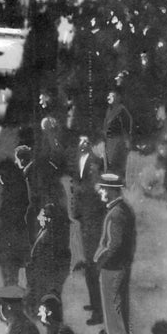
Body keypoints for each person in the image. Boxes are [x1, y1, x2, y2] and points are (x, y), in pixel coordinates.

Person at [93, 173, 136, 334]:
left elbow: (113, 245)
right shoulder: (122, 208)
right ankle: (115, 331)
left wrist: (98, 260)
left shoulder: (115, 213)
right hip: (122, 263)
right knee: (117, 299)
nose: (101, 192)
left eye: (103, 188)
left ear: (111, 191)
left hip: (113, 265)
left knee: (113, 302)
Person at [70, 135, 106, 324]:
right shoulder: (86, 163)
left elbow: (88, 193)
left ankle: (99, 312)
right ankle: (95, 304)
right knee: (91, 270)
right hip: (88, 227)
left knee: (93, 270)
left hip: (93, 230)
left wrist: (77, 191)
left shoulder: (94, 171)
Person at [0, 157, 31, 288]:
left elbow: (13, 212)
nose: (0, 179)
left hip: (11, 236)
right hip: (17, 235)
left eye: (2, 175)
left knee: (10, 271)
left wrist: (1, 217)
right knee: (14, 272)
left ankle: (12, 295)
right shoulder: (18, 184)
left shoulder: (12, 189)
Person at [26, 202, 71, 314]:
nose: (38, 217)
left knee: (48, 306)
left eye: (42, 215)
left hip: (46, 282)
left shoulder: (50, 237)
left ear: (49, 219)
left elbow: (47, 262)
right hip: (43, 280)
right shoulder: (46, 231)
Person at [102, 88, 132, 179]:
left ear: (118, 97)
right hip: (109, 141)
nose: (109, 98)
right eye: (109, 95)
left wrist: (126, 139)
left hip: (118, 141)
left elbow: (127, 125)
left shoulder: (121, 110)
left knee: (117, 162)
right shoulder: (109, 110)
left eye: (112, 95)